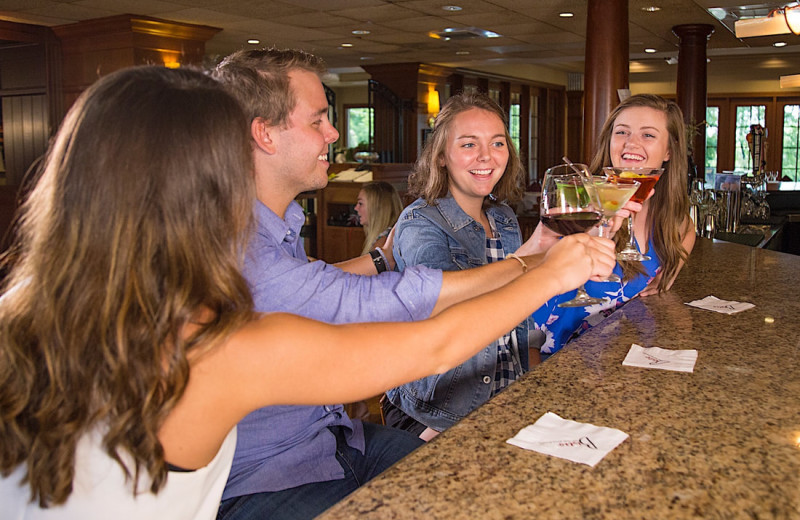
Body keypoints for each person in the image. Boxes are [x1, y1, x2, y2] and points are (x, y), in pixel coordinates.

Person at [0, 66, 615, 519]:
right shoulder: (222, 349)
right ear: (201, 186)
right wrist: (549, 271)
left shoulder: (24, 317)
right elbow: (431, 347)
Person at [210, 48, 613, 520]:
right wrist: (546, 271)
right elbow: (424, 326)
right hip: (268, 477)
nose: (336, 132)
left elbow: (321, 286)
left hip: (337, 436)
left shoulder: (280, 225)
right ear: (264, 133)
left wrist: (537, 260)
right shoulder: (242, 248)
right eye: (319, 118)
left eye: (498, 142)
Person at [381, 91, 540, 439]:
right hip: (438, 413)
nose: (486, 156)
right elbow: (449, 307)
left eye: (497, 143)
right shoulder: (419, 223)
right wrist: (534, 262)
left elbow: (517, 326)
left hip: (504, 399)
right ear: (441, 157)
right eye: (469, 144)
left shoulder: (505, 218)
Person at [533, 93, 696, 357]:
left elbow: (682, 245)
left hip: (620, 364)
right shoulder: (577, 203)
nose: (631, 143)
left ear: (669, 150)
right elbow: (528, 289)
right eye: (622, 132)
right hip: (551, 360)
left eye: (648, 135)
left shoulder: (676, 227)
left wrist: (671, 274)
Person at [354, 180, 403, 254]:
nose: (356, 208)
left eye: (360, 203)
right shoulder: (386, 238)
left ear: (377, 208)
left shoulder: (382, 245)